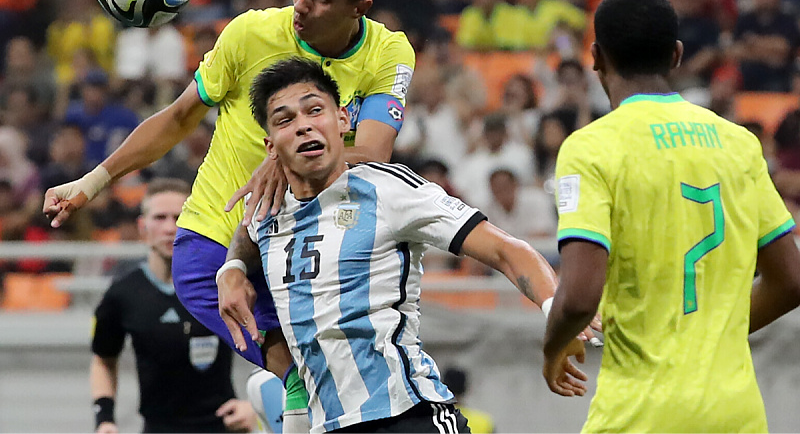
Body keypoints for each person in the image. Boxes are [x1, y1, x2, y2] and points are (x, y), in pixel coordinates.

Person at [45, 0, 414, 423]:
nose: (301, 2)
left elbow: (372, 150)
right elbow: (177, 117)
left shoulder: (388, 54)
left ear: (359, 8)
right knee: (300, 370)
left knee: (344, 381)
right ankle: (290, 388)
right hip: (217, 235)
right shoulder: (250, 33)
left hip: (312, 242)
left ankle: (287, 397)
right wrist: (90, 184)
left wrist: (285, 156)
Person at [216, 57, 592, 433]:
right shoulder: (267, 207)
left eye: (315, 110)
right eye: (285, 120)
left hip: (406, 415)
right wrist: (232, 269)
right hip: (328, 424)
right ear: (270, 145)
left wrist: (558, 316)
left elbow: (507, 250)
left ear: (343, 121)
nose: (303, 126)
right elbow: (248, 235)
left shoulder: (388, 189)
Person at [542, 0, 800, 432]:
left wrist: (553, 349)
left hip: (640, 416)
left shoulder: (591, 148)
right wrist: (716, 333)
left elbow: (580, 297)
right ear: (677, 55)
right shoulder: (738, 143)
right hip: (737, 415)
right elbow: (791, 280)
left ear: (597, 57)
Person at [90, 178, 256, 434]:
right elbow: (103, 358)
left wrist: (256, 404)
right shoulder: (123, 294)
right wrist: (105, 418)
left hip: (223, 427)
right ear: (142, 227)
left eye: (179, 217)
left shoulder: (223, 283)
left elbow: (269, 338)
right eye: (160, 217)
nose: (170, 227)